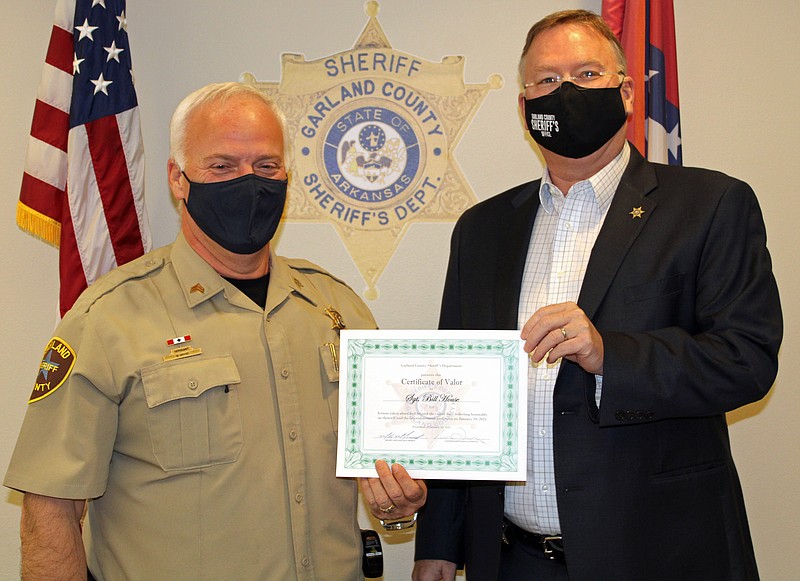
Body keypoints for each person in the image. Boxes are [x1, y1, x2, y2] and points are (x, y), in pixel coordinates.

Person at [413, 9, 781, 581]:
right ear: (524, 106)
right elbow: (455, 392)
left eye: (586, 75)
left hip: (660, 556)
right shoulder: (482, 229)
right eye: (546, 81)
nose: (565, 93)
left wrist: (611, 352)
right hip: (511, 561)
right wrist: (437, 542)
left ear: (627, 92)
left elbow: (748, 361)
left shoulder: (709, 206)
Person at [4, 82, 426, 581]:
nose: (249, 183)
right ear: (178, 179)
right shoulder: (107, 319)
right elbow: (51, 505)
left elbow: (388, 479)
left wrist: (401, 502)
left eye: (266, 167)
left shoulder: (338, 310)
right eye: (222, 166)